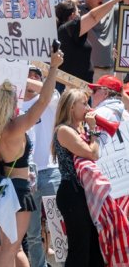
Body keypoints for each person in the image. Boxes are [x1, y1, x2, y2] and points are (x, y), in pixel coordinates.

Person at [0, 44, 62, 266]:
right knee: (11, 248)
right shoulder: (15, 127)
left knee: (3, 248)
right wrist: (53, 68)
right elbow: (44, 101)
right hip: (17, 189)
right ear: (13, 102)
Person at [52, 88, 104, 266]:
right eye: (84, 103)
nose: (88, 107)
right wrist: (94, 129)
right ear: (72, 106)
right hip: (72, 193)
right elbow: (92, 153)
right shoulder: (64, 131)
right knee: (79, 250)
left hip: (85, 193)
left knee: (94, 249)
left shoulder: (79, 130)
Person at [22, 66, 62, 267]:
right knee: (32, 234)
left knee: (58, 228)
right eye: (28, 74)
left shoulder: (51, 99)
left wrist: (21, 77)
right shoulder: (15, 104)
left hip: (50, 170)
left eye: (37, 76)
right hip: (26, 175)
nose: (32, 79)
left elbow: (48, 90)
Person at [62, 0, 129, 81]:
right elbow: (69, 3)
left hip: (111, 71)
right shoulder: (80, 12)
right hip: (90, 73)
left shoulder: (110, 8)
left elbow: (127, 10)